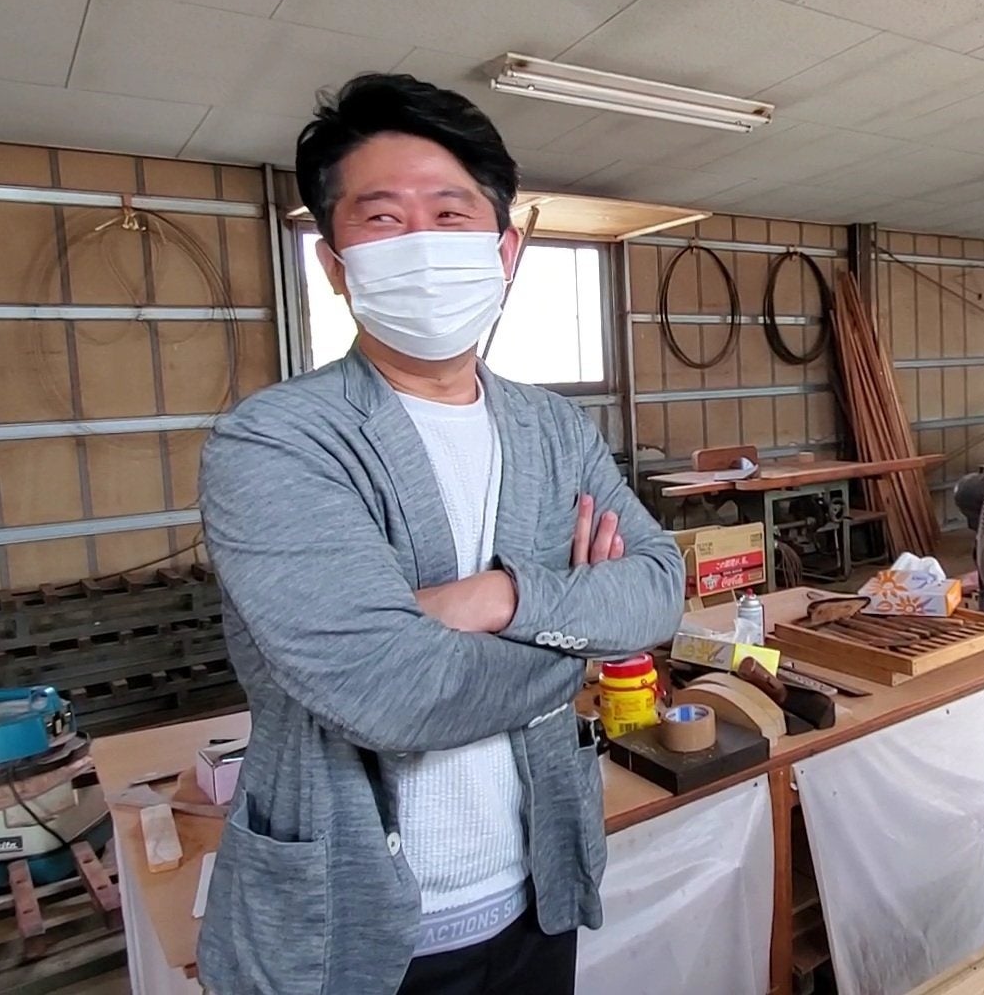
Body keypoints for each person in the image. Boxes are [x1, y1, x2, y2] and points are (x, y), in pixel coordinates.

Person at [195, 73, 685, 995]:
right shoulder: (276, 442)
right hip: (350, 934)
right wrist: (574, 636)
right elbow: (391, 690)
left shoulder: (553, 428)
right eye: (382, 218)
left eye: (451, 214)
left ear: (505, 250)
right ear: (335, 265)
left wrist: (497, 596)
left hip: (538, 889)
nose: (421, 242)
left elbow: (659, 589)